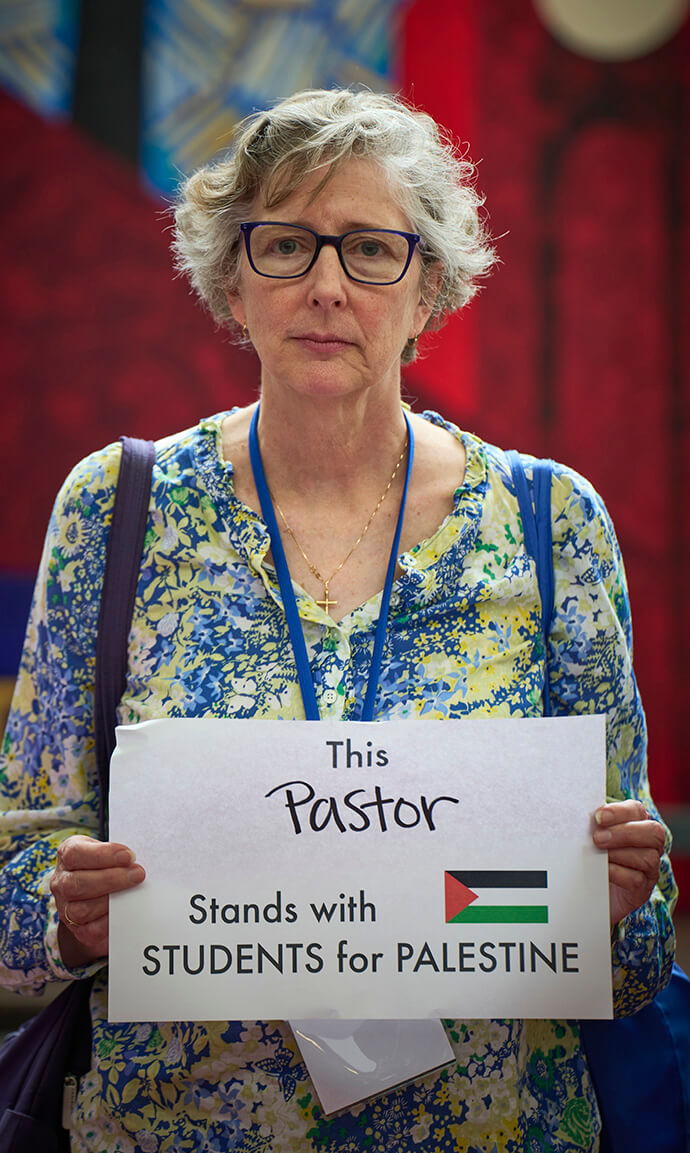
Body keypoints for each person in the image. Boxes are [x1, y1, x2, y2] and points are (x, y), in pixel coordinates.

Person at [0, 88, 675, 1153]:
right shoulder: (113, 508)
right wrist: (66, 916)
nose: (324, 286)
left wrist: (614, 903)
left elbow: (633, 957)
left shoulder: (551, 523)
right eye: (285, 245)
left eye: (369, 249)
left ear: (432, 286)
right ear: (231, 278)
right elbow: (16, 884)